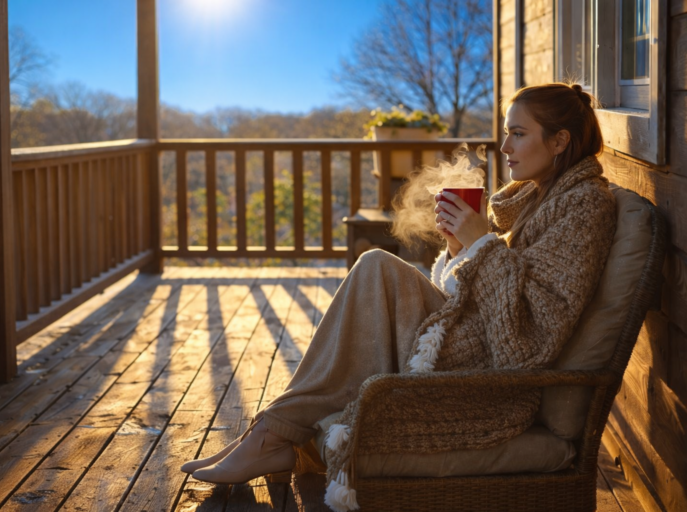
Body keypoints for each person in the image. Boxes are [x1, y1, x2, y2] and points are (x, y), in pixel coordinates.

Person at [180, 82, 618, 511]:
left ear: (559, 140)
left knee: (376, 267)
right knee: (376, 267)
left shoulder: (583, 207)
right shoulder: (537, 199)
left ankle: (270, 435)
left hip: (488, 375)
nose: (504, 146)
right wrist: (459, 249)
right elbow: (486, 287)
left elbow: (526, 344)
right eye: (506, 131)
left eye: (518, 134)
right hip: (467, 334)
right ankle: (270, 433)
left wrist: (482, 245)